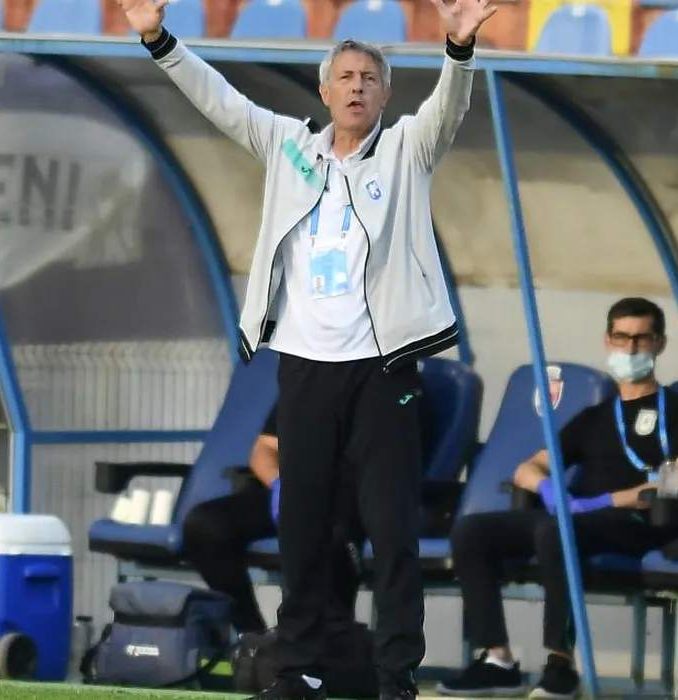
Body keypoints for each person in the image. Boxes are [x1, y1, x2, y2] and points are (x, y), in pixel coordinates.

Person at [115, 1, 505, 699]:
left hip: (384, 369)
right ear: (324, 90)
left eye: (369, 79)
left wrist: (458, 48)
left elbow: (448, 111)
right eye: (345, 77)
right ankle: (296, 668)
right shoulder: (290, 146)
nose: (356, 87)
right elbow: (219, 101)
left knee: (391, 531)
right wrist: (157, 39)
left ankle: (395, 678)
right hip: (303, 368)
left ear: (385, 94)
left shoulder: (406, 149)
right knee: (300, 527)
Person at [436, 298, 678, 700]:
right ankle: (497, 660)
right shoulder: (594, 417)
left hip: (637, 522)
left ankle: (560, 664)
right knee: (471, 531)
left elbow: (677, 482)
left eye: (641, 339)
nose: (630, 348)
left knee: (554, 531)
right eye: (621, 338)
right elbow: (527, 468)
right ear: (608, 341)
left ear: (659, 344)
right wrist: (550, 490)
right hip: (579, 519)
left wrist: (603, 502)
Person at [182, 405, 365, 635]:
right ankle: (251, 638)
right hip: (296, 492)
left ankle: (323, 642)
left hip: (353, 498)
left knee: (322, 539)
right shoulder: (303, 388)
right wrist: (281, 486)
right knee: (205, 526)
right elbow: (265, 449)